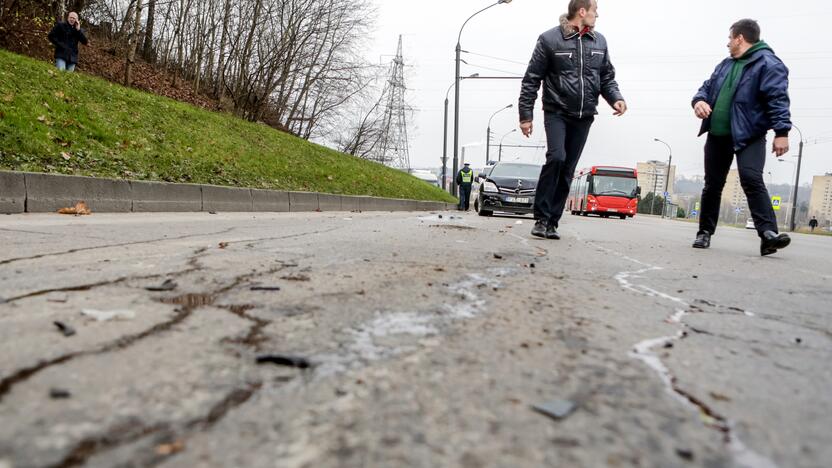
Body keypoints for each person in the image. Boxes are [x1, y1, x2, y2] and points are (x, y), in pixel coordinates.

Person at [519, 0, 626, 240]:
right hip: (556, 110)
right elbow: (531, 78)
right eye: (594, 10)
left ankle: (552, 222)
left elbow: (606, 77)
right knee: (556, 157)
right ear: (582, 12)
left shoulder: (599, 41)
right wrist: (525, 115)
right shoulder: (549, 39)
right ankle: (541, 217)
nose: (597, 15)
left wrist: (615, 98)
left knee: (568, 168)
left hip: (584, 115)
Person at [691, 19, 792, 256]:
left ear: (739, 38)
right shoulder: (725, 65)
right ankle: (704, 232)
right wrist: (699, 101)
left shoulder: (769, 63)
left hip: (750, 135)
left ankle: (768, 235)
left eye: (729, 38)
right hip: (718, 134)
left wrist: (782, 132)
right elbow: (706, 88)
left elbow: (777, 98)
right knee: (712, 185)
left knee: (751, 178)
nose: (727, 44)